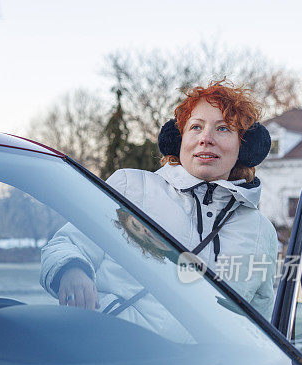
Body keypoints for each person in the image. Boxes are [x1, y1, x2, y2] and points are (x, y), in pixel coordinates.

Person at [40, 80, 278, 320]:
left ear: (245, 147)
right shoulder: (129, 188)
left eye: (223, 128)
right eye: (196, 127)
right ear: (179, 140)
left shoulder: (261, 232)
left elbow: (260, 323)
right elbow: (67, 244)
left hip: (208, 358)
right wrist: (72, 270)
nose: (206, 138)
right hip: (113, 348)